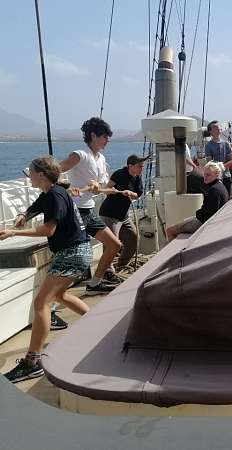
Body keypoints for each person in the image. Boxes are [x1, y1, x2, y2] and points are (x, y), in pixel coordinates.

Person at [1, 157, 91, 383]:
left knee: (42, 303)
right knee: (59, 295)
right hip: (77, 251)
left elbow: (49, 230)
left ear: (41, 174)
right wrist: (23, 215)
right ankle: (98, 323)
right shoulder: (51, 192)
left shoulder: (55, 195)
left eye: (30, 172)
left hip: (72, 253)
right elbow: (36, 206)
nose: (27, 175)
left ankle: (32, 362)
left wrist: (13, 232)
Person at [58, 117, 122, 295]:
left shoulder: (100, 158)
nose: (107, 140)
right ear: (93, 135)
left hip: (88, 210)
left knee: (114, 245)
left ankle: (95, 283)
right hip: (74, 211)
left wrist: (120, 192)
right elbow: (55, 171)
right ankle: (52, 301)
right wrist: (68, 187)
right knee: (72, 258)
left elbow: (102, 187)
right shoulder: (80, 155)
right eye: (104, 136)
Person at [98, 154, 147, 272]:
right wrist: (119, 192)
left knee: (133, 238)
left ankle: (121, 265)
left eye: (142, 166)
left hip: (123, 216)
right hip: (110, 215)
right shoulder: (119, 174)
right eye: (140, 166)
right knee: (112, 244)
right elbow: (107, 190)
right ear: (130, 166)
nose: (142, 169)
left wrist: (130, 193)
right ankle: (107, 271)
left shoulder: (137, 177)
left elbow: (137, 194)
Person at [166, 162, 229, 240]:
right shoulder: (220, 186)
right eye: (204, 174)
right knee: (184, 221)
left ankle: (171, 252)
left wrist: (197, 213)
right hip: (213, 220)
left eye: (208, 175)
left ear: (216, 175)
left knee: (170, 230)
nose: (205, 177)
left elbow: (206, 215)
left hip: (205, 223)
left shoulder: (214, 190)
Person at [205, 120, 232, 196]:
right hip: (215, 179)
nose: (218, 128)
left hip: (226, 176)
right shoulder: (208, 146)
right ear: (210, 131)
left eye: (219, 127)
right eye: (215, 127)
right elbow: (210, 163)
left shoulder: (226, 144)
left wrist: (221, 167)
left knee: (227, 199)